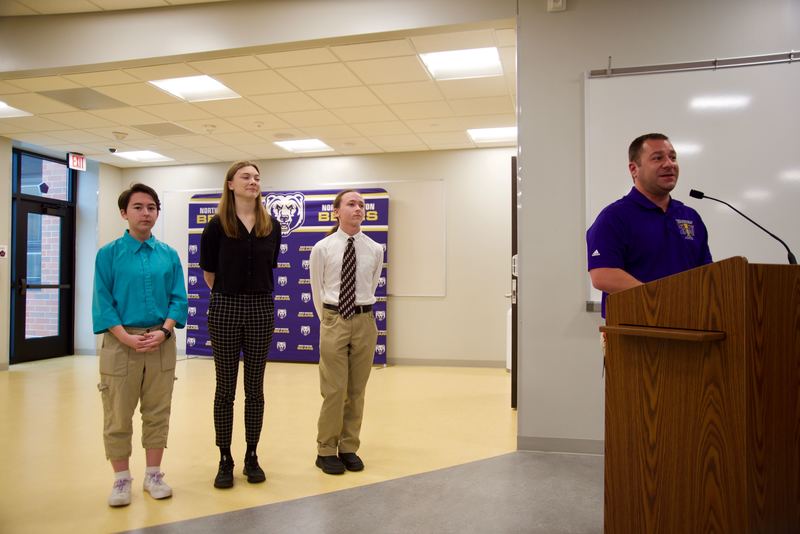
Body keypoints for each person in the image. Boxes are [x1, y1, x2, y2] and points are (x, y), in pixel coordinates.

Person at [93, 183, 188, 507]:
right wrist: (125, 338)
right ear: (124, 212)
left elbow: (178, 299)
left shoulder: (169, 255)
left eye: (151, 207)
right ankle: (121, 480)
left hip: (160, 341)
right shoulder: (108, 255)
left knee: (158, 412)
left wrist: (163, 332)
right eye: (138, 207)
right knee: (117, 414)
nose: (145, 213)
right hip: (121, 344)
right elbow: (103, 302)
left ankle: (153, 474)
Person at [200, 161, 281, 489]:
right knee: (225, 389)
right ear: (230, 184)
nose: (253, 181)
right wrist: (231, 294)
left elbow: (270, 265)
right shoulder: (216, 226)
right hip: (225, 306)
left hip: (261, 307)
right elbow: (209, 273)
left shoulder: (270, 225)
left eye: (257, 177)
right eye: (246, 176)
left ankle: (251, 455)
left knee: (255, 389)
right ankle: (224, 458)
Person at [587, 132, 713, 318]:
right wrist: (658, 300)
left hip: (690, 324)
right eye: (657, 158)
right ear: (634, 169)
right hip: (635, 329)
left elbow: (707, 273)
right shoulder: (614, 217)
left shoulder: (689, 216)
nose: (669, 164)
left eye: (673, 157)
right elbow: (603, 275)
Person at [309, 189, 384, 475]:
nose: (358, 208)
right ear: (337, 211)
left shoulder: (374, 249)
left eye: (361, 204)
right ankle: (326, 449)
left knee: (356, 389)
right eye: (351, 204)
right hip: (334, 318)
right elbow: (317, 289)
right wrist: (329, 320)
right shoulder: (323, 248)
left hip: (365, 321)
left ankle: (349, 447)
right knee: (334, 389)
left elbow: (371, 285)